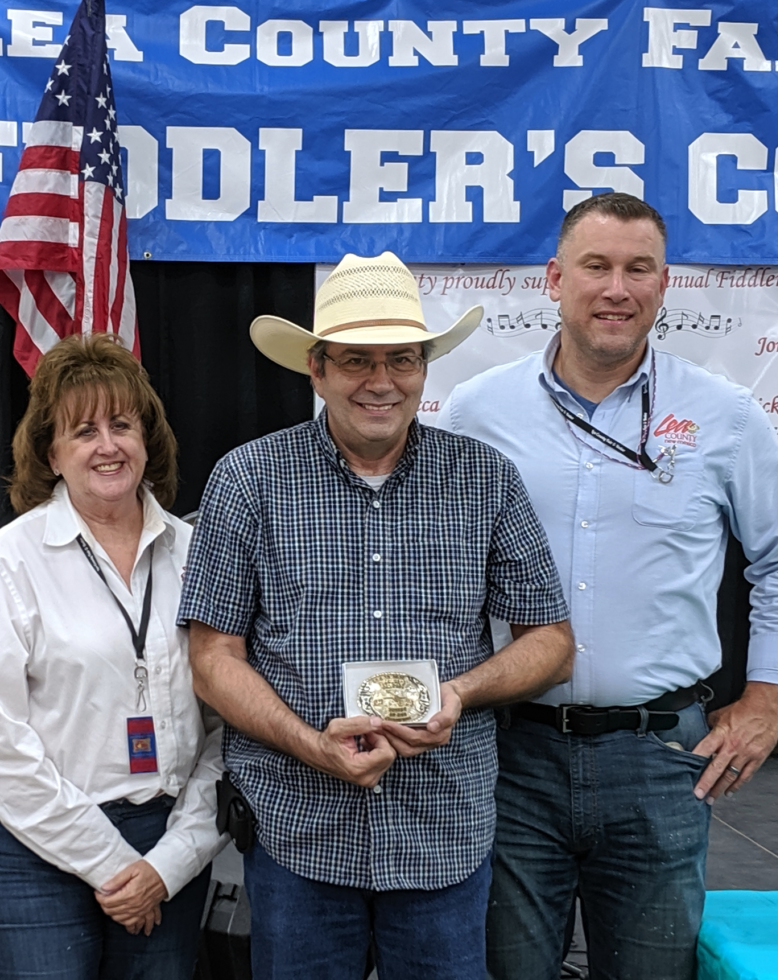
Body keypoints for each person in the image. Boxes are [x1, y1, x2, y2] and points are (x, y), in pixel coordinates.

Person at [438, 192, 778, 980]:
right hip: (511, 758)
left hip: (659, 760)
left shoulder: (723, 415)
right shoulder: (478, 413)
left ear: (664, 284)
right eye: (596, 266)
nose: (616, 288)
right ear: (554, 279)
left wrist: (768, 700)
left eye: (637, 268)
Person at [178, 251, 574, 980]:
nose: (381, 381)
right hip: (299, 829)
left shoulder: (486, 480)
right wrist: (308, 744)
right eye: (356, 360)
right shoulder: (248, 479)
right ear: (316, 370)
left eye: (402, 359)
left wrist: (461, 693)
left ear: (425, 369)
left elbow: (551, 640)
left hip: (443, 833)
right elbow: (213, 658)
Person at [0, 334, 223, 980]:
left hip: (167, 843)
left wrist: (169, 864)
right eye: (83, 431)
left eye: (122, 424)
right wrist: (109, 863)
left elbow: (232, 725)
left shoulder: (199, 554)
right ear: (51, 452)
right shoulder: (11, 561)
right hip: (31, 847)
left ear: (146, 438)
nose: (108, 446)